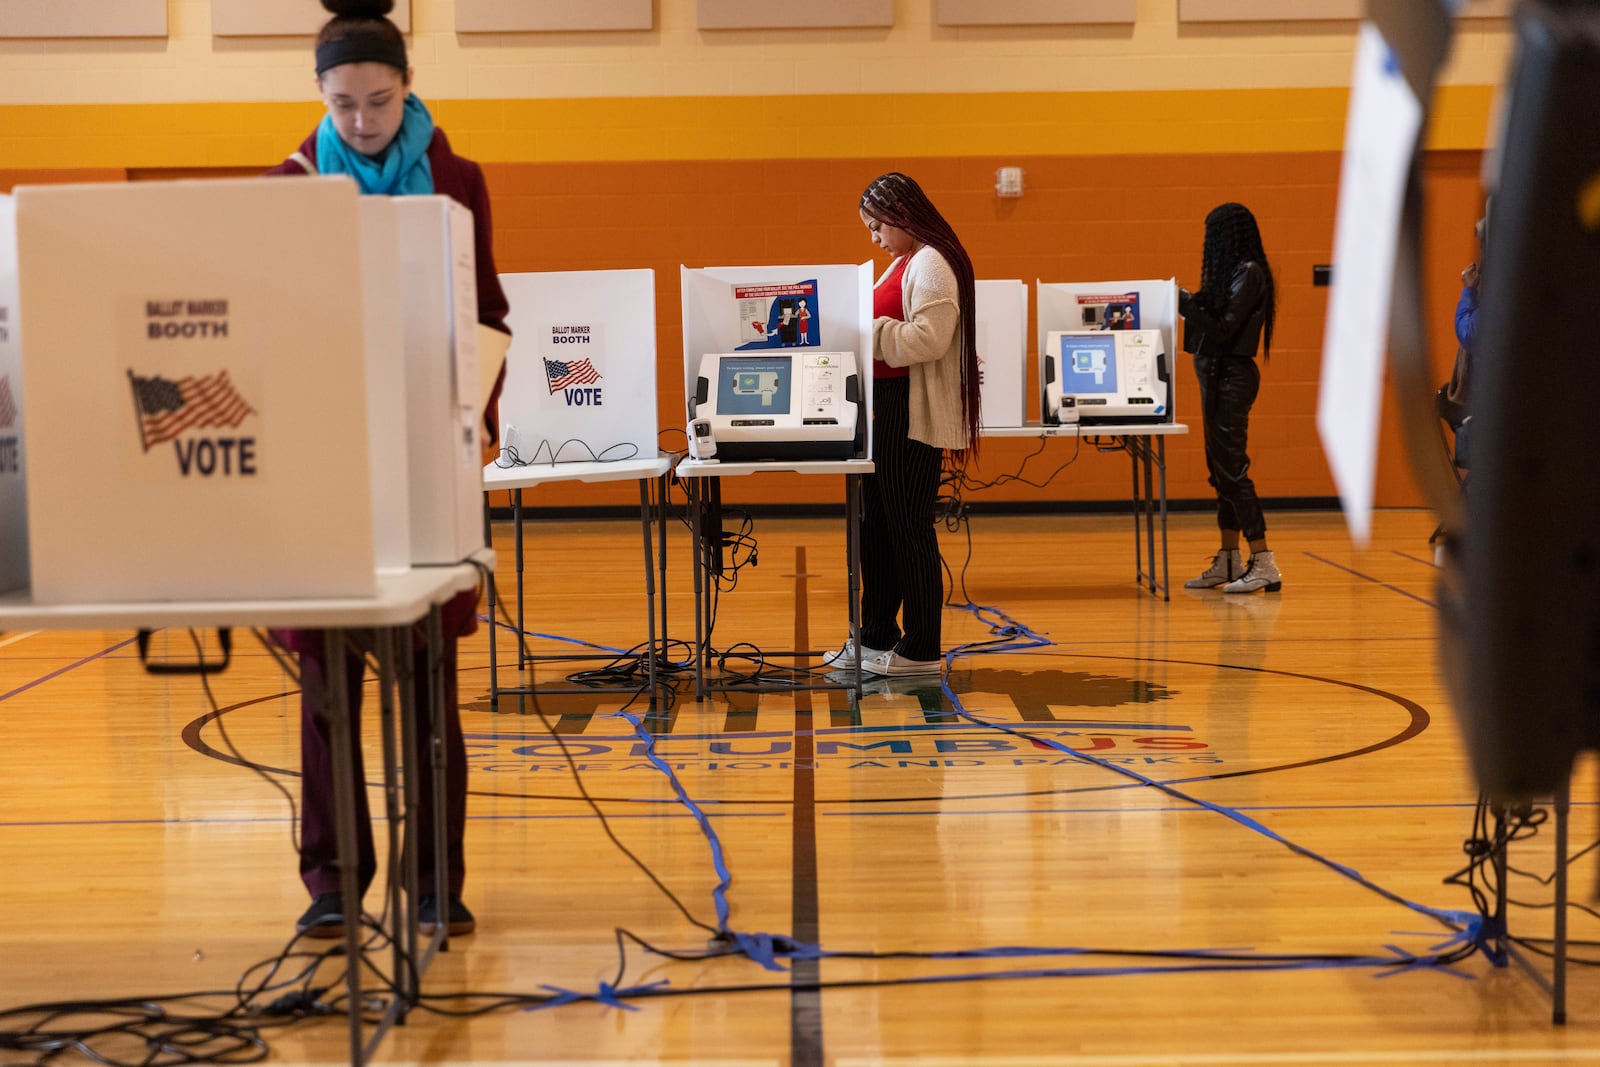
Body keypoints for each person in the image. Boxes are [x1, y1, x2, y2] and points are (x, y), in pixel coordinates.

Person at [266, 0, 511, 940]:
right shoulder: (287, 182)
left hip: (425, 460)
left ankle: (435, 880)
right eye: (343, 105)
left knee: (430, 688)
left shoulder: (457, 178)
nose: (362, 121)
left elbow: (488, 309)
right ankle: (333, 881)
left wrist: (472, 415)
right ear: (319, 97)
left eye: (378, 100)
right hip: (323, 466)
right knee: (326, 691)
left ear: (409, 88)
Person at [823, 172, 980, 677]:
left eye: (877, 226)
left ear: (900, 215)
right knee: (878, 526)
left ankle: (923, 649)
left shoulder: (933, 262)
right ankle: (876, 635)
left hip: (910, 412)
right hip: (885, 407)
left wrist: (867, 330)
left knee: (908, 527)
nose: (874, 237)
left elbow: (929, 339)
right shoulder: (904, 260)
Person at [1179, 201, 1280, 594]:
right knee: (1219, 470)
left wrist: (1187, 303)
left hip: (1232, 377)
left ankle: (1265, 561)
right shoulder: (1232, 275)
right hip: (1217, 376)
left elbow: (1223, 329)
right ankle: (1229, 559)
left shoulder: (1249, 273)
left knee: (1233, 470)